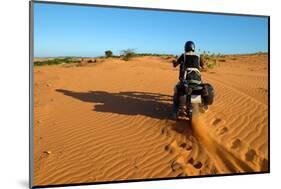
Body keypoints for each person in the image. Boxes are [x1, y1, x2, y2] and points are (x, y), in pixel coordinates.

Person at [172, 41, 207, 119]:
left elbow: (175, 65)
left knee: (178, 89)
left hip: (186, 79)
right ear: (193, 47)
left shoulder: (184, 55)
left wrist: (174, 62)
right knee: (201, 86)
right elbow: (204, 67)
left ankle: (178, 108)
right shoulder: (198, 55)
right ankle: (202, 104)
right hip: (198, 79)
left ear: (186, 47)